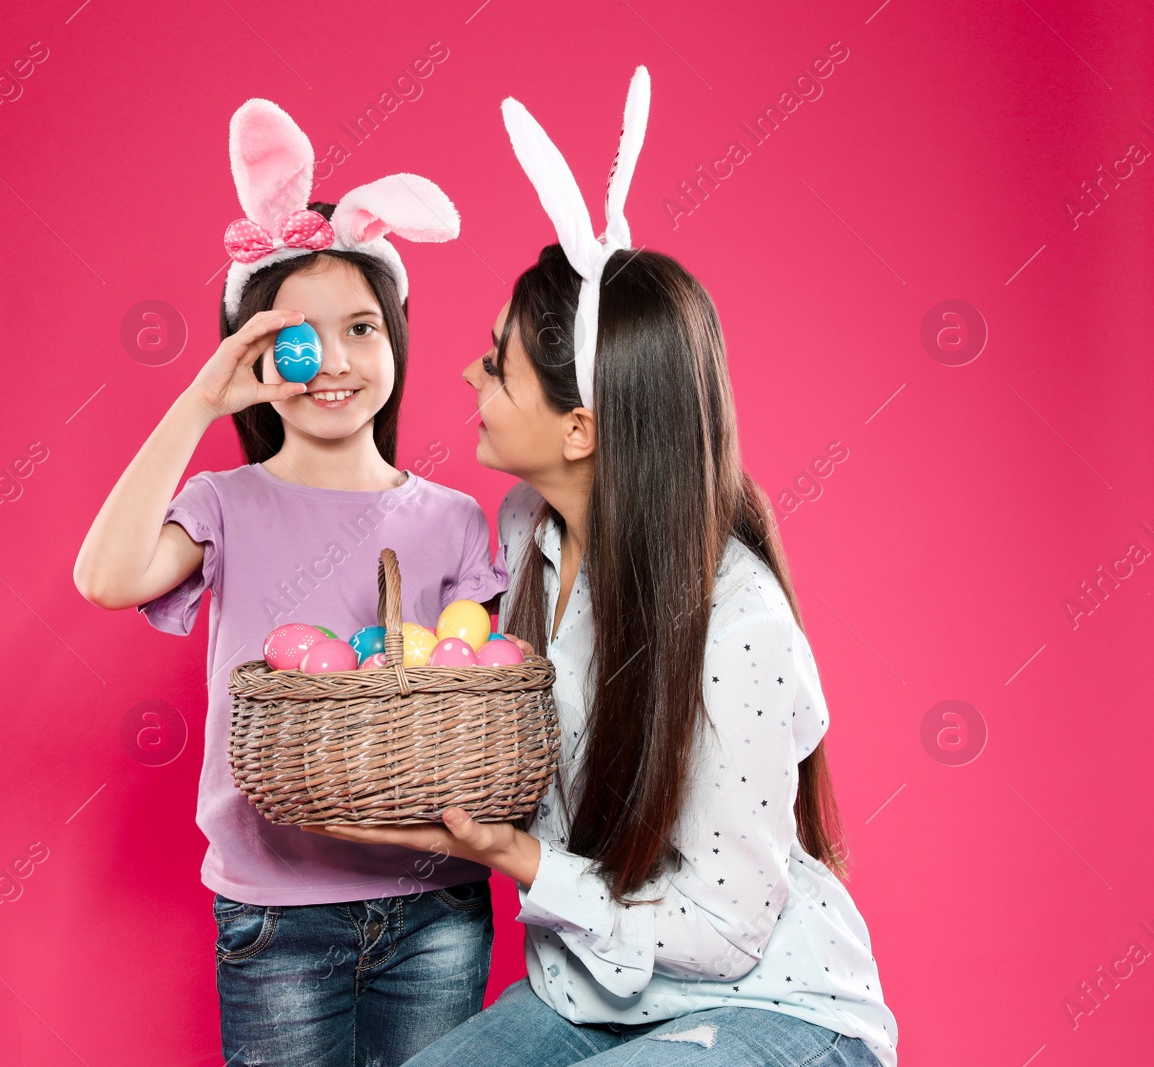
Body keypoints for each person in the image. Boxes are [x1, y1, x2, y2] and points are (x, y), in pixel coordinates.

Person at [306, 68, 899, 1067]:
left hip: (780, 1006)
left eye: (495, 364)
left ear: (580, 426)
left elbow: (727, 931)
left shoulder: (733, 623)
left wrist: (521, 858)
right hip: (585, 994)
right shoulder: (523, 532)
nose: (467, 374)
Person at [73, 98, 509, 1067]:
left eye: (361, 326)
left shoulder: (446, 518)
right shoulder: (224, 502)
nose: (336, 361)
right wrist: (198, 401)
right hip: (275, 915)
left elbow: (472, 671)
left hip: (431, 900)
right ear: (259, 351)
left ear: (395, 336)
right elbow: (106, 578)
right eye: (300, 337)